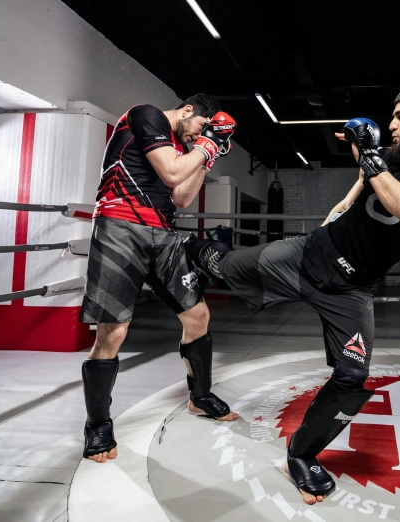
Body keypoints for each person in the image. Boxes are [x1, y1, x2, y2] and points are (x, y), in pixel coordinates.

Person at [184, 84, 400, 504]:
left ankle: (301, 454)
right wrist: (349, 187)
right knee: (226, 267)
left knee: (352, 376)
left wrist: (370, 157)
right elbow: (365, 172)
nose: (391, 124)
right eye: (390, 117)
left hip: (352, 290)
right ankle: (192, 251)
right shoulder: (386, 158)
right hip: (309, 254)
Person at [79, 94, 241, 464]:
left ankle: (199, 397)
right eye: (201, 126)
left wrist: (208, 152)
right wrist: (207, 142)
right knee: (113, 330)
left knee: (197, 315)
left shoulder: (180, 146)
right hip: (120, 227)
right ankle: (98, 424)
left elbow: (182, 195)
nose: (198, 136)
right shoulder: (145, 114)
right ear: (188, 112)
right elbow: (170, 172)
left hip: (163, 233)